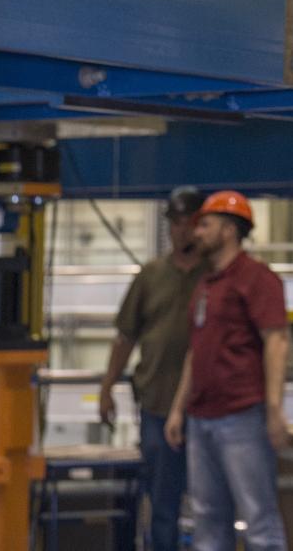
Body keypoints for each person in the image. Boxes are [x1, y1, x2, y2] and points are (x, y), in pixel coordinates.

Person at [165, 191, 290, 551]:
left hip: (242, 416)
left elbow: (277, 341)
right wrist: (178, 409)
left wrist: (273, 409)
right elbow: (196, 350)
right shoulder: (207, 284)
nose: (197, 233)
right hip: (201, 418)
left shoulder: (256, 278)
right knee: (207, 521)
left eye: (205, 225)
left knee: (259, 522)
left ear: (229, 230)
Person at [99, 185, 206, 551]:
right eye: (176, 223)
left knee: (210, 501)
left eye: (189, 223)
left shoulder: (215, 276)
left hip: (208, 408)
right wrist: (107, 388)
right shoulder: (151, 275)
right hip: (157, 405)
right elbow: (125, 336)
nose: (182, 231)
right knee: (162, 501)